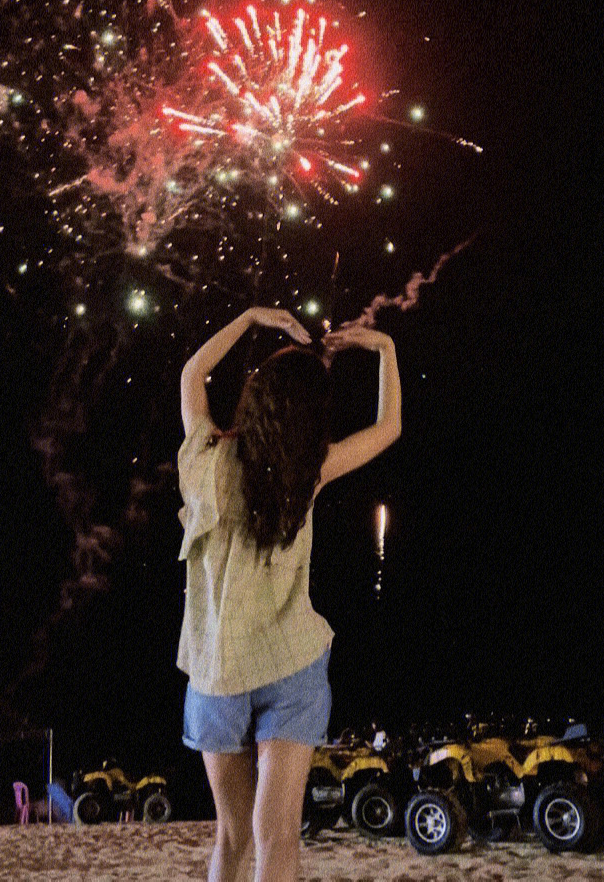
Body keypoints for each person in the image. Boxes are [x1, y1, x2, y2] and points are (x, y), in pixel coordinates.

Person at [176, 307, 401, 882]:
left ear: (254, 395)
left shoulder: (204, 459)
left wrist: (251, 318)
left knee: (231, 839)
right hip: (292, 663)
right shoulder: (310, 468)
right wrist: (384, 350)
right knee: (277, 838)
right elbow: (388, 428)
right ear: (309, 414)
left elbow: (191, 374)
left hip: (218, 671)